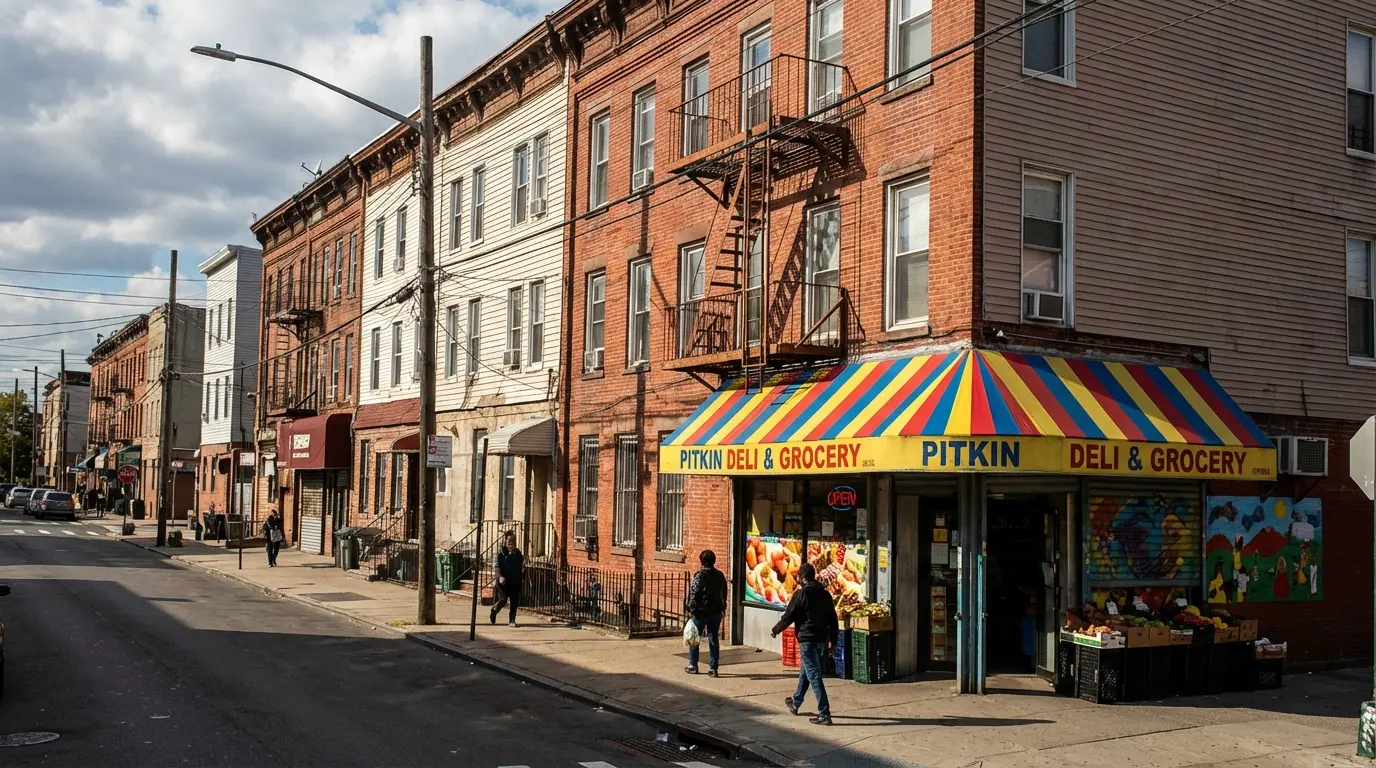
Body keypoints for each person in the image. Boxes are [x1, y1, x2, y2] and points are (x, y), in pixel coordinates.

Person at [772, 562, 838, 725]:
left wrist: (776, 629)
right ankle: (796, 702)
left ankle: (824, 713)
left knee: (814, 674)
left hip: (807, 639)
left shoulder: (801, 594)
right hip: (821, 638)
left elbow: (789, 616)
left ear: (802, 578)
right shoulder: (825, 594)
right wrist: (834, 640)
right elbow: (833, 619)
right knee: (806, 671)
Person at [685, 549, 728, 676]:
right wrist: (723, 608)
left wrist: (690, 609)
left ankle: (693, 665)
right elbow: (723, 593)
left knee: (694, 638)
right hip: (715, 612)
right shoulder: (720, 575)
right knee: (713, 638)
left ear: (702, 561)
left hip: (701, 612)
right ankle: (713, 668)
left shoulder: (699, 576)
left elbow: (694, 595)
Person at [491, 532, 525, 626]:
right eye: (509, 541)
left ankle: (512, 620)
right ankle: (494, 610)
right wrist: (500, 577)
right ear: (505, 542)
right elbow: (497, 568)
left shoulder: (518, 554)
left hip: (515, 582)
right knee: (503, 600)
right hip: (504, 583)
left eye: (513, 541)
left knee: (514, 602)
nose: (511, 543)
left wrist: (522, 573)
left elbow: (521, 566)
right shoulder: (500, 555)